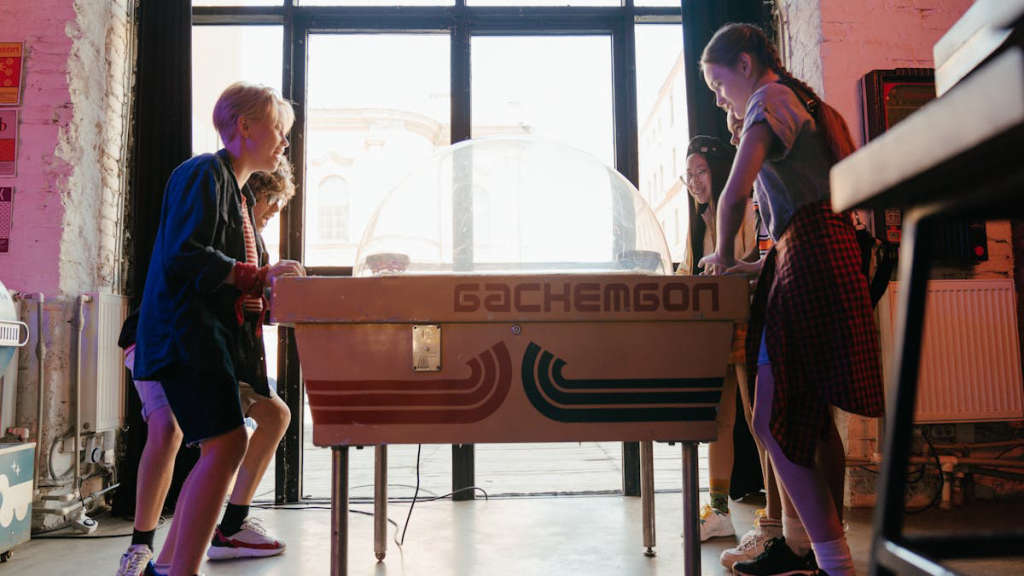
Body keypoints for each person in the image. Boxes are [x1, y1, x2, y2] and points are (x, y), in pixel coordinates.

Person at [699, 23, 883, 576]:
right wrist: (757, 265)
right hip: (812, 255)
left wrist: (724, 257)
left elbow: (734, 193)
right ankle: (814, 553)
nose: (719, 98)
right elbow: (809, 211)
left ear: (746, 63)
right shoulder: (805, 103)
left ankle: (831, 562)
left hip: (810, 262)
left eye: (718, 84)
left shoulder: (771, 98)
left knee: (776, 420)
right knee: (796, 419)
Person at [128, 82, 303, 576]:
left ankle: (169, 565)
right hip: (186, 337)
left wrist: (273, 287)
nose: (284, 141)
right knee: (225, 444)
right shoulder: (204, 172)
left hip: (209, 341)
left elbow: (235, 282)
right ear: (244, 126)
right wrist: (258, 276)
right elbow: (185, 255)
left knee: (224, 446)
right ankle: (174, 566)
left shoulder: (241, 195)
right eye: (278, 128)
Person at [676, 135, 756, 544]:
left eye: (701, 172)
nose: (694, 181)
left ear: (720, 171)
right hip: (715, 328)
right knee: (719, 421)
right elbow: (687, 273)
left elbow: (761, 259)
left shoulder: (746, 210)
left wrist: (729, 269)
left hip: (750, 321)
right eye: (688, 175)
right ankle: (720, 511)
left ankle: (780, 515)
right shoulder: (696, 224)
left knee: (759, 420)